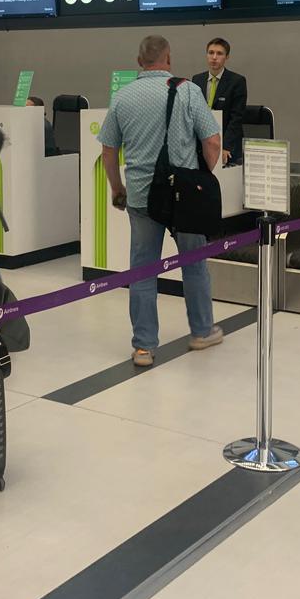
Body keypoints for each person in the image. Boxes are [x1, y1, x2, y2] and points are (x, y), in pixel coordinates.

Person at [98, 35, 224, 367]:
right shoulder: (188, 91)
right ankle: (202, 331)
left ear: (139, 62)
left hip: (142, 196)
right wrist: (201, 176)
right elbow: (213, 141)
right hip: (184, 196)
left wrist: (117, 188)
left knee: (143, 270)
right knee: (194, 264)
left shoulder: (122, 97)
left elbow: (108, 151)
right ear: (168, 59)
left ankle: (143, 347)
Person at [192, 38, 248, 166]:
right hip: (203, 144)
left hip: (227, 146)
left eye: (219, 53)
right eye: (211, 53)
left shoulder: (237, 81)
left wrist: (226, 146)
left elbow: (236, 118)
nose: (214, 57)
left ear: (227, 57)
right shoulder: (197, 79)